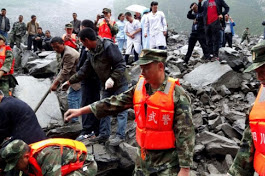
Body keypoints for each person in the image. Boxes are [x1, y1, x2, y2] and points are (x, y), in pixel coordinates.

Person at [64, 49, 195, 176]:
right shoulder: (140, 88)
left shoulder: (176, 94)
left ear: (160, 66)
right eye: (141, 68)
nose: (142, 72)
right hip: (143, 160)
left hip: (167, 164)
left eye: (146, 68)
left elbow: (185, 132)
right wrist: (81, 110)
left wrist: (185, 169)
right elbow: (114, 102)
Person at [62, 28, 129, 146]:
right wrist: (69, 82)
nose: (83, 45)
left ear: (87, 40)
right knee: (103, 107)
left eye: (83, 42)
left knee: (121, 109)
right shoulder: (91, 52)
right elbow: (84, 70)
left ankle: (120, 136)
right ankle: (103, 135)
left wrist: (112, 78)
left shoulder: (109, 47)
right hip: (106, 84)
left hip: (120, 82)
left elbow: (121, 64)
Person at [228, 36, 265, 175]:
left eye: (264, 71)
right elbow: (245, 155)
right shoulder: (259, 107)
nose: (259, 78)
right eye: (257, 73)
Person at [1, 139, 97, 176]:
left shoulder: (47, 155)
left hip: (86, 166)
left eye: (16, 164)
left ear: (25, 156)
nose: (16, 168)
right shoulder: (28, 154)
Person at [74, 19, 101, 141]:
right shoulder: (89, 43)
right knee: (91, 103)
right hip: (90, 78)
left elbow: (86, 64)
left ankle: (88, 130)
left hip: (91, 79)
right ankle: (93, 129)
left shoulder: (92, 45)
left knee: (87, 103)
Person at [50, 37, 81, 123]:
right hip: (74, 76)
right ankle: (76, 118)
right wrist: (55, 81)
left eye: (57, 47)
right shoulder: (64, 51)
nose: (55, 49)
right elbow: (62, 69)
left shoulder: (68, 54)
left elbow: (65, 71)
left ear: (63, 44)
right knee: (76, 98)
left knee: (73, 98)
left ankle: (75, 121)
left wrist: (56, 84)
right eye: (53, 47)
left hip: (78, 77)